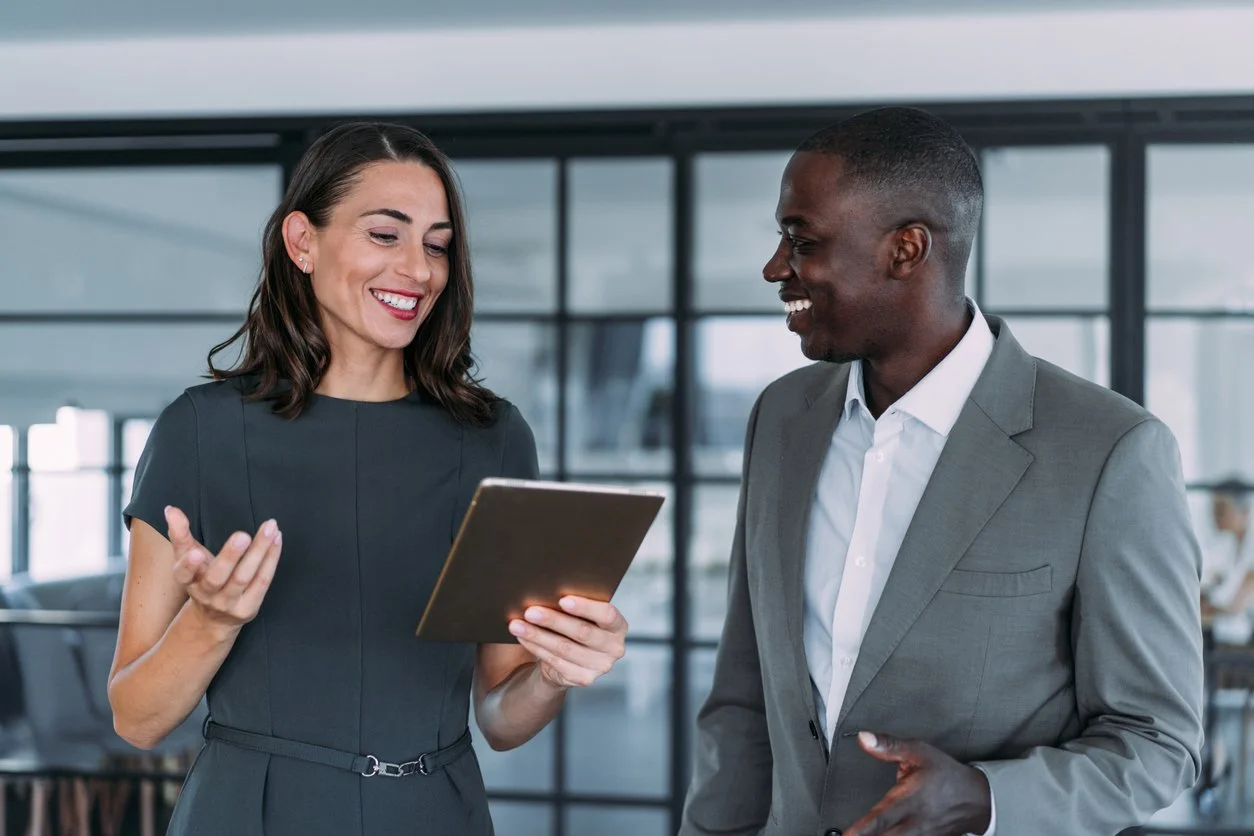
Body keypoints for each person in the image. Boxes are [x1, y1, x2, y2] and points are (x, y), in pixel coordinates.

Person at [680, 107, 1203, 836]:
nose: (776, 267)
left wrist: (987, 800)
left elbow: (1158, 742)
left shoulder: (1111, 450)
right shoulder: (781, 419)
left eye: (803, 241)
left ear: (906, 249)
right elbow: (742, 697)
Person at [107, 122, 629, 836]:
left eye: (437, 244)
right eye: (386, 235)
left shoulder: (493, 440)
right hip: (248, 814)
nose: (418, 270)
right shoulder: (198, 432)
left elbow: (503, 719)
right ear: (302, 242)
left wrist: (557, 674)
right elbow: (137, 718)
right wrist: (213, 619)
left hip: (433, 812)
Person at [1202, 479, 1254, 643]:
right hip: (1229, 635)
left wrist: (1211, 610)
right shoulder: (1227, 546)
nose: (1215, 515)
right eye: (1214, 509)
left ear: (1244, 511)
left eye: (1221, 509)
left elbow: (1236, 607)